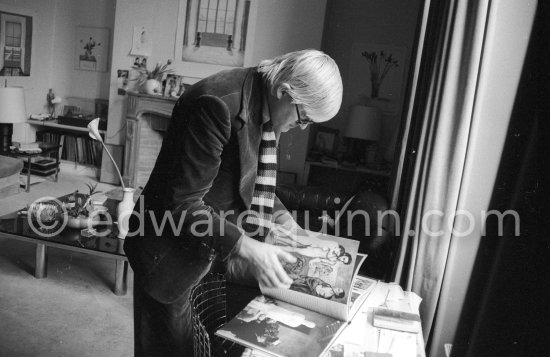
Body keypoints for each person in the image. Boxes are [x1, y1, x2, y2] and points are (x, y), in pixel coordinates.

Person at [124, 49, 343, 356]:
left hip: (210, 246)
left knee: (215, 344)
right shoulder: (215, 104)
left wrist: (283, 219)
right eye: (303, 116)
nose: (303, 127)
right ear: (284, 90)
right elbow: (181, 205)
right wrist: (249, 248)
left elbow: (249, 180)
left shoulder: (266, 103)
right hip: (167, 253)